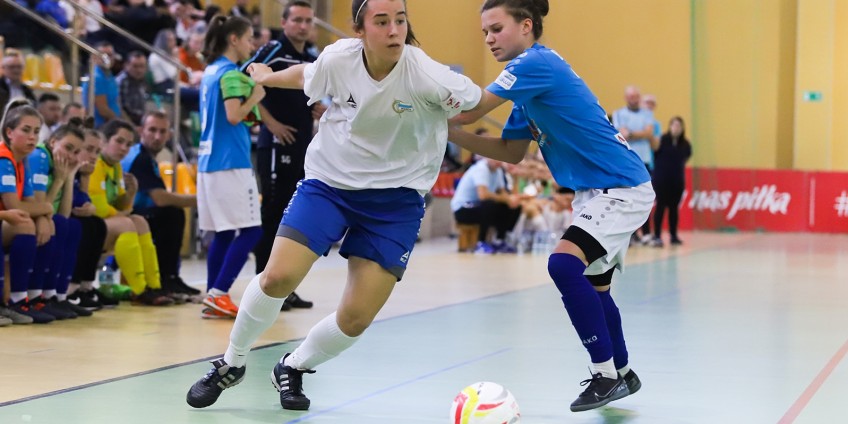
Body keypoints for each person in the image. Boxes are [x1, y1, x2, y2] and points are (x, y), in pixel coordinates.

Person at [186, 0, 482, 411]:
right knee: (277, 278)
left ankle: (293, 366)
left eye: (400, 20)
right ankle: (231, 363)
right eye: (382, 22)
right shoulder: (339, 58)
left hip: (395, 202)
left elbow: (476, 102)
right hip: (329, 184)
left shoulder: (427, 73)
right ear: (359, 30)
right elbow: (306, 75)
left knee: (356, 318)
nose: (394, 30)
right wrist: (268, 76)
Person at [446, 0, 654, 412]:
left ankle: (605, 376)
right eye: (484, 32)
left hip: (621, 186)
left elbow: (472, 110)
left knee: (562, 264)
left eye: (496, 29)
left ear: (526, 26)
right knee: (596, 287)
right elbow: (510, 151)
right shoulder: (527, 91)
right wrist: (446, 134)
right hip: (594, 191)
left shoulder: (533, 64)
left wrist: (420, 104)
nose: (488, 39)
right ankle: (622, 371)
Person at [251, 0, 321, 311]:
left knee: (291, 217)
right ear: (284, 22)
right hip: (276, 146)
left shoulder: (310, 59)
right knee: (273, 214)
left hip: (301, 146)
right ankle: (262, 288)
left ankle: (283, 288)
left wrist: (316, 107)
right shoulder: (273, 51)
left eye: (308, 21)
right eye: (297, 20)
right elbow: (244, 81)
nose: (303, 26)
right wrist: (270, 123)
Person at [194, 15, 264, 319]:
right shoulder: (230, 74)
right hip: (230, 161)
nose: (252, 44)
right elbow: (235, 116)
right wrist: (256, 96)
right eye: (249, 38)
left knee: (223, 233)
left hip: (208, 162)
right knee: (252, 231)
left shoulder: (210, 71)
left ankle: (213, 296)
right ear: (233, 39)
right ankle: (219, 292)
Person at [88, 119, 174, 306]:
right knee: (127, 223)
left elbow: (124, 207)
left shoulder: (116, 167)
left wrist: (131, 192)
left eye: (128, 144)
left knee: (140, 221)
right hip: (89, 224)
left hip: (105, 224)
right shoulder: (96, 165)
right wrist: (123, 215)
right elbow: (99, 208)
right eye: (119, 141)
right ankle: (139, 289)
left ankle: (154, 285)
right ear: (105, 141)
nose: (124, 148)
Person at [121, 111, 201, 300]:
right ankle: (166, 279)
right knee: (171, 214)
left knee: (171, 213)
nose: (157, 136)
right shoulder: (139, 158)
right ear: (141, 131)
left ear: (169, 135)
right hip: (127, 214)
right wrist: (203, 200)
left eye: (162, 131)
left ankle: (170, 277)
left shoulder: (147, 157)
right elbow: (160, 199)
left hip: (136, 213)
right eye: (152, 130)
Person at [28, 123, 89, 319]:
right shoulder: (40, 157)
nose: (71, 156)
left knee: (72, 226)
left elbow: (64, 213)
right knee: (60, 224)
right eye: (68, 148)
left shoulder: (60, 166)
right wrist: (58, 181)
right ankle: (37, 296)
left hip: (47, 217)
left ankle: (58, 295)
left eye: (76, 152)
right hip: (28, 215)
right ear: (53, 142)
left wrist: (69, 177)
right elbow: (39, 206)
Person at [0, 104, 54, 323]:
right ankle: (17, 299)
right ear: (9, 132)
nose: (32, 137)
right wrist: (47, 209)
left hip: (6, 220)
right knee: (24, 224)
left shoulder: (22, 162)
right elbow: (14, 206)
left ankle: (37, 296)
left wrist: (43, 217)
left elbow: (31, 203)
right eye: (26, 130)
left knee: (50, 225)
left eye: (36, 131)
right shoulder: (4, 159)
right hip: (4, 218)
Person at [450, 157, 521, 254]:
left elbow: (502, 192)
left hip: (479, 206)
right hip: (463, 208)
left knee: (513, 206)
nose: (498, 161)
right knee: (488, 204)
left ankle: (500, 240)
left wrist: (510, 200)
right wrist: (506, 199)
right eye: (495, 158)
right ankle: (480, 242)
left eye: (500, 158)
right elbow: (483, 195)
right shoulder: (481, 168)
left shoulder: (498, 171)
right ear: (487, 158)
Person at [612, 86, 655, 244]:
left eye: (636, 96)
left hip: (644, 160)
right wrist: (637, 134)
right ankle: (630, 234)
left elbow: (648, 133)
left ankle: (647, 233)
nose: (634, 99)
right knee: (627, 198)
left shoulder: (647, 114)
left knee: (644, 197)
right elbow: (621, 134)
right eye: (631, 97)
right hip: (627, 161)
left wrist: (631, 133)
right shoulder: (618, 114)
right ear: (626, 98)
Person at [651, 116, 691, 247]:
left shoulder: (685, 144)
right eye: (674, 125)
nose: (676, 128)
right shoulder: (662, 140)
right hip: (661, 180)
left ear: (682, 128)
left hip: (677, 181)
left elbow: (686, 158)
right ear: (670, 126)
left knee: (674, 208)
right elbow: (654, 152)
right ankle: (657, 235)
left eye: (679, 125)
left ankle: (673, 235)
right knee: (660, 207)